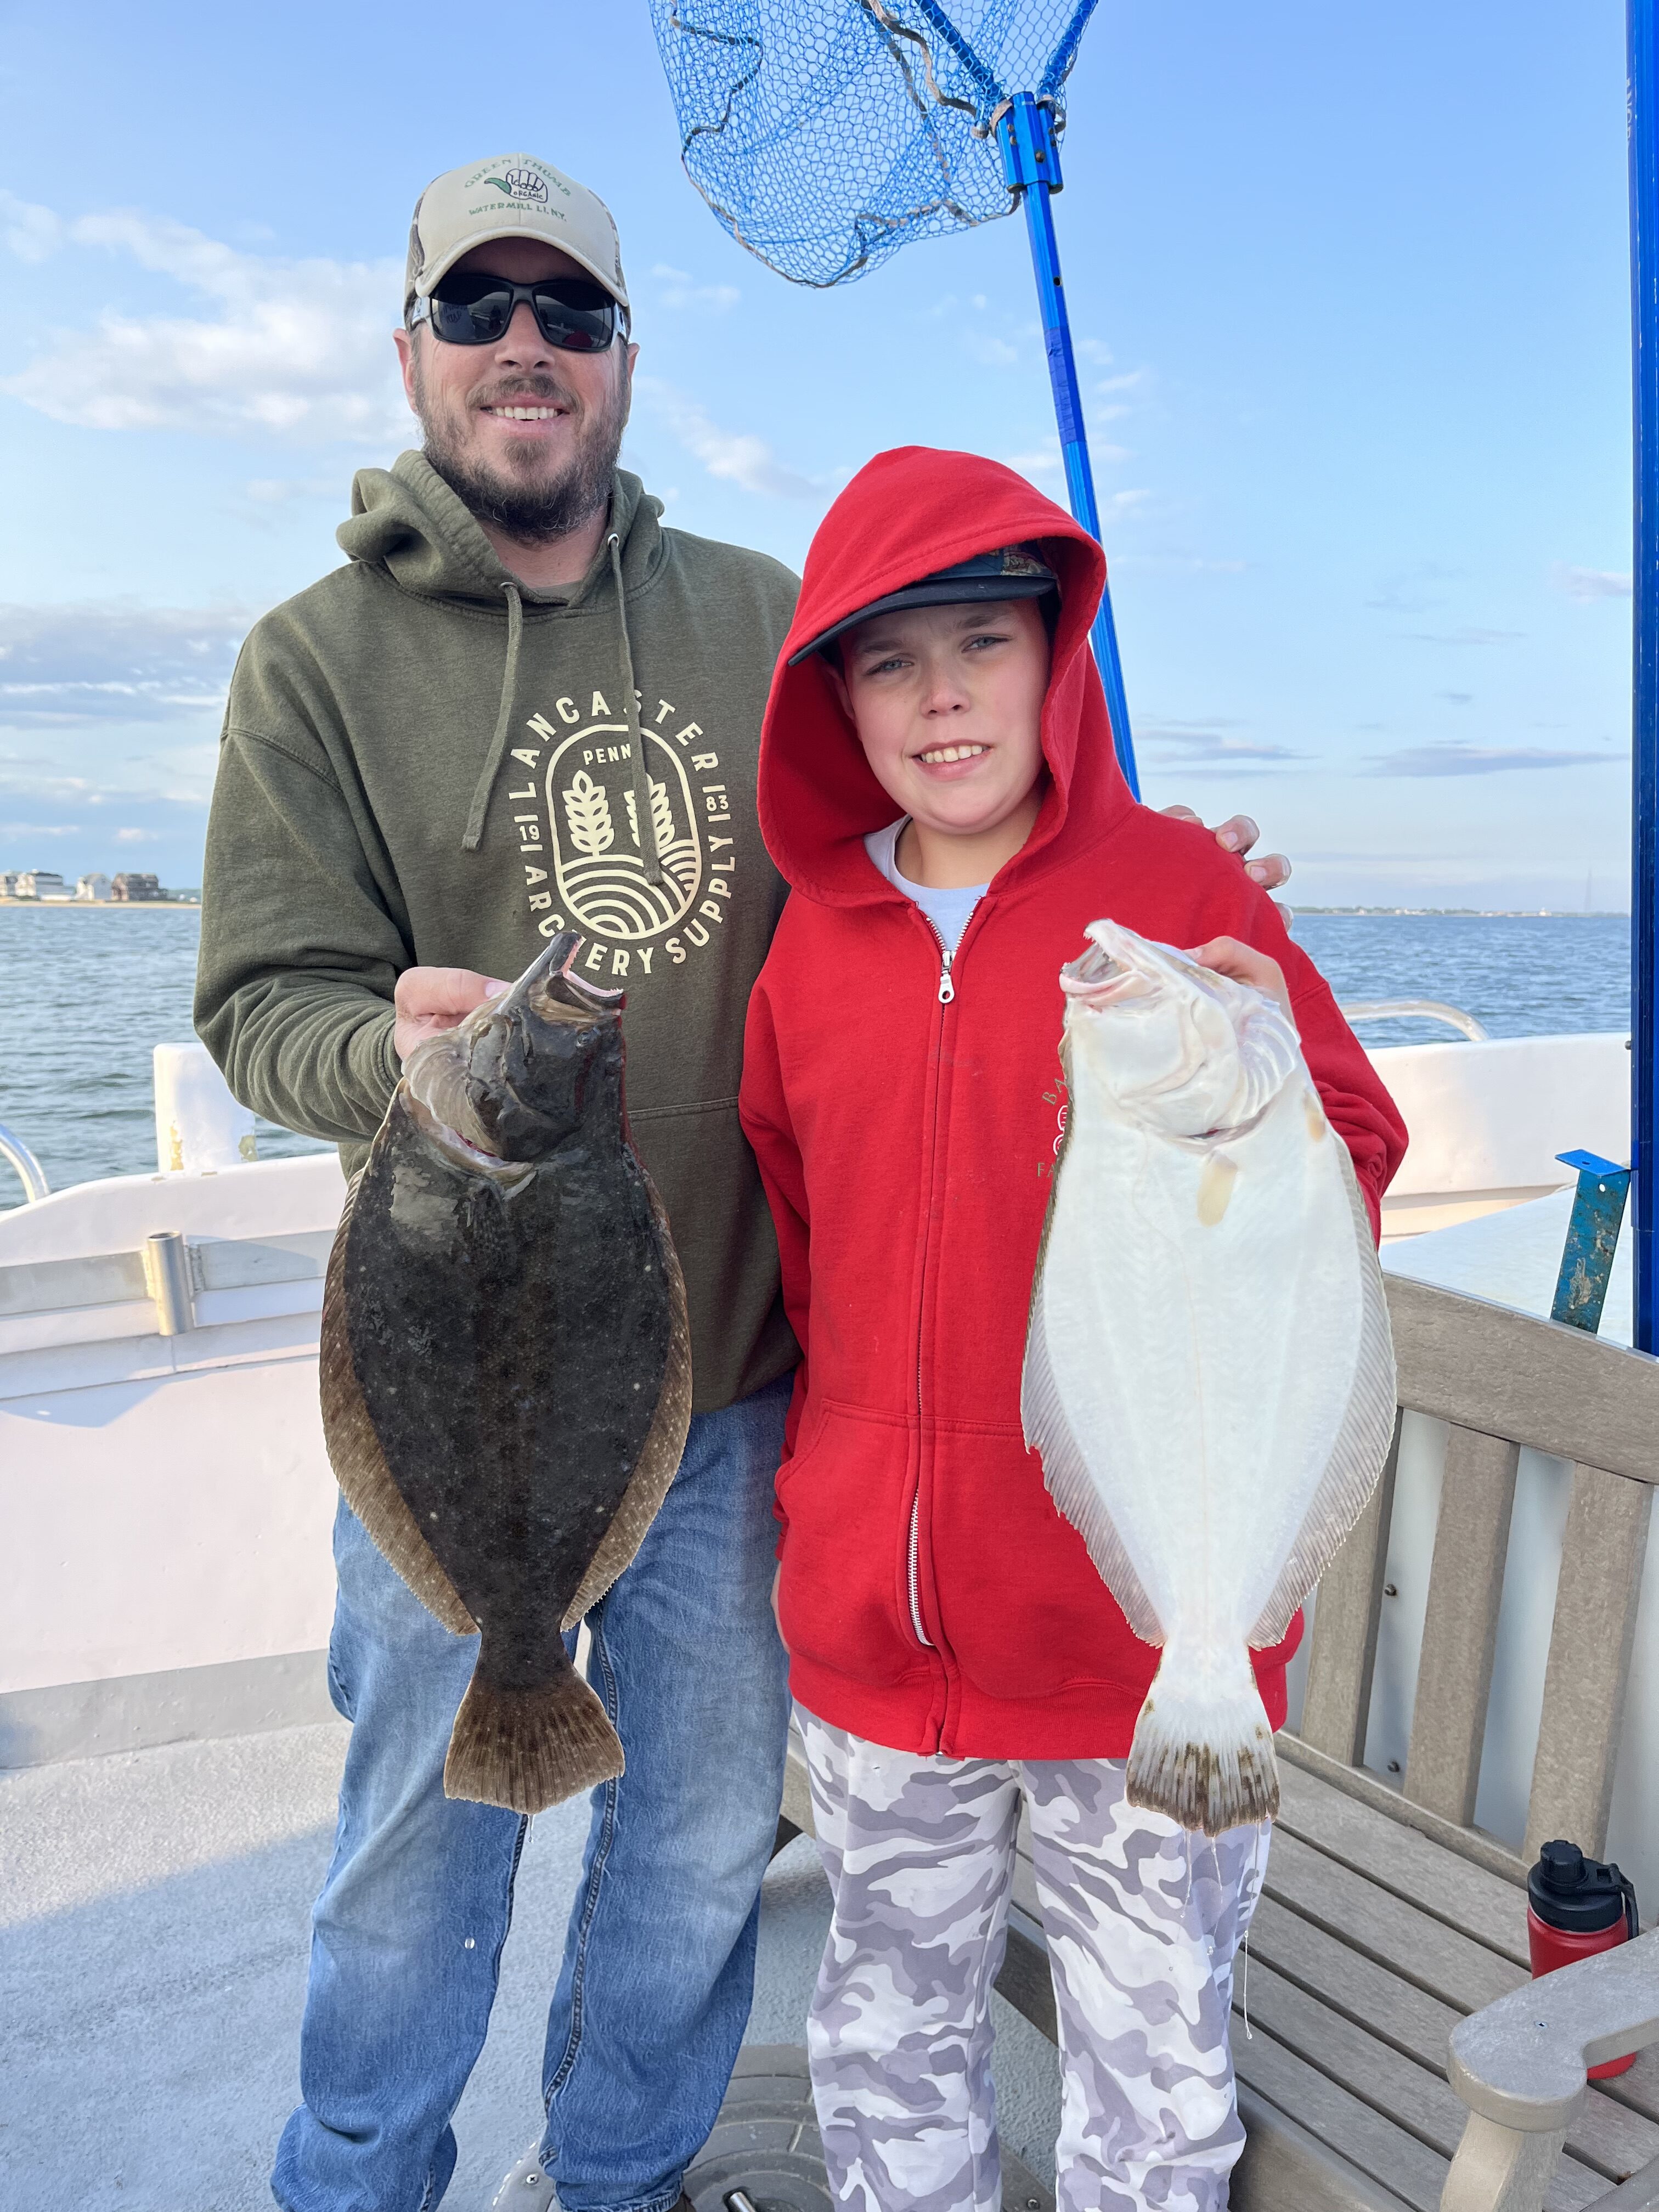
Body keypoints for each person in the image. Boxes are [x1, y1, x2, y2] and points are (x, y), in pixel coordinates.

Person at [193, 153, 1293, 2212]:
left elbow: (962, 812)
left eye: (573, 315)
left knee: (701, 1849)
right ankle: (355, 2181)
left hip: (742, 1393)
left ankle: (618, 2180)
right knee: (414, 1844)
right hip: (463, 1373)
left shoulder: (766, 620)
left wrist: (1152, 876)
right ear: (412, 345)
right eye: (481, 311)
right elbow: (265, 1006)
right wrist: (398, 1062)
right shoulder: (311, 662)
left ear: (623, 358)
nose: (527, 349)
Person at [737, 446, 1407, 2211]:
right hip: (883, 1633)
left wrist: (1278, 1087)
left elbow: (1360, 1152)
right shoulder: (807, 945)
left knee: (1160, 2075)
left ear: (1061, 663)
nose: (944, 696)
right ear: (838, 702)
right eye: (889, 661)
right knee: (888, 2052)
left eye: (985, 642)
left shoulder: (1185, 893)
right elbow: (808, 1249)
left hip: (1145, 1649)